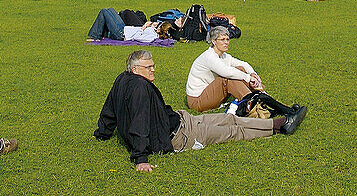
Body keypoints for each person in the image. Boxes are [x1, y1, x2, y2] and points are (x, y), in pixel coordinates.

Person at [96, 50, 306, 172]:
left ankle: (281, 118)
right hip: (180, 137)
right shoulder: (140, 88)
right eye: (148, 67)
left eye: (153, 65)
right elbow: (140, 122)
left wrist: (103, 133)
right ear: (135, 69)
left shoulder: (122, 79)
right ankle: (280, 125)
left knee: (226, 119)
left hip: (180, 120)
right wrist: (141, 159)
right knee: (232, 131)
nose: (153, 70)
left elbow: (109, 109)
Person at [186, 26, 263, 112]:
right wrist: (248, 78)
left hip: (210, 94)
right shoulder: (209, 56)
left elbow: (243, 64)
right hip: (197, 101)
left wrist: (253, 73)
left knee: (239, 69)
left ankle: (261, 95)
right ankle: (253, 105)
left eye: (227, 39)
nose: (226, 42)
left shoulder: (224, 56)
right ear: (213, 41)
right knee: (227, 78)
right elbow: (227, 72)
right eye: (222, 40)